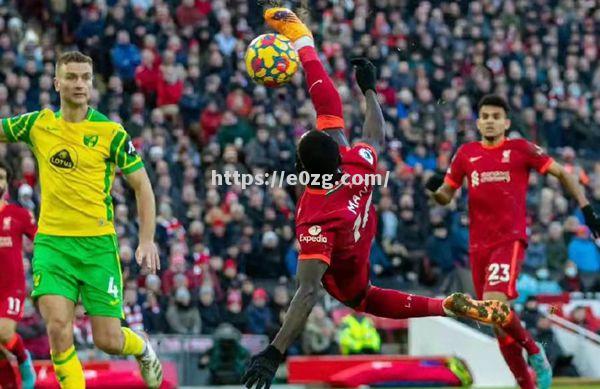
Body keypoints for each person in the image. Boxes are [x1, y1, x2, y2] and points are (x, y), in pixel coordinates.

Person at [242, 8, 510, 389]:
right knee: (331, 115)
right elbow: (368, 130)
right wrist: (366, 87)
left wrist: (275, 351)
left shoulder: (315, 218)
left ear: (302, 169)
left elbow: (308, 292)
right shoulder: (358, 165)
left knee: (364, 298)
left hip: (347, 271)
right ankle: (446, 304)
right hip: (361, 226)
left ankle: (442, 305)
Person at [0, 51, 163, 388]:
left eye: (85, 78)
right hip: (52, 245)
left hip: (97, 247)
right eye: (71, 77)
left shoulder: (111, 132)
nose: (79, 84)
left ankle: (141, 346)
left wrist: (147, 240)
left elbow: (142, 186)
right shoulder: (38, 124)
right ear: (56, 82)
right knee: (58, 328)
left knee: (108, 340)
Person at [426, 94, 600, 389]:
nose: (491, 121)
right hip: (478, 246)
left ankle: (534, 351)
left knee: (495, 306)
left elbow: (564, 175)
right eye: (486, 116)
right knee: (497, 326)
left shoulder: (520, 149)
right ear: (479, 121)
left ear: (506, 122)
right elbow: (446, 194)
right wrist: (434, 189)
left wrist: (587, 211)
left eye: (496, 116)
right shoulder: (466, 154)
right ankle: (527, 386)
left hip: (510, 240)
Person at [0, 161, 37, 388]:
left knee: (3, 333)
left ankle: (24, 360)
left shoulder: (18, 214)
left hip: (11, 288)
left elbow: (41, 241)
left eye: (2, 177)